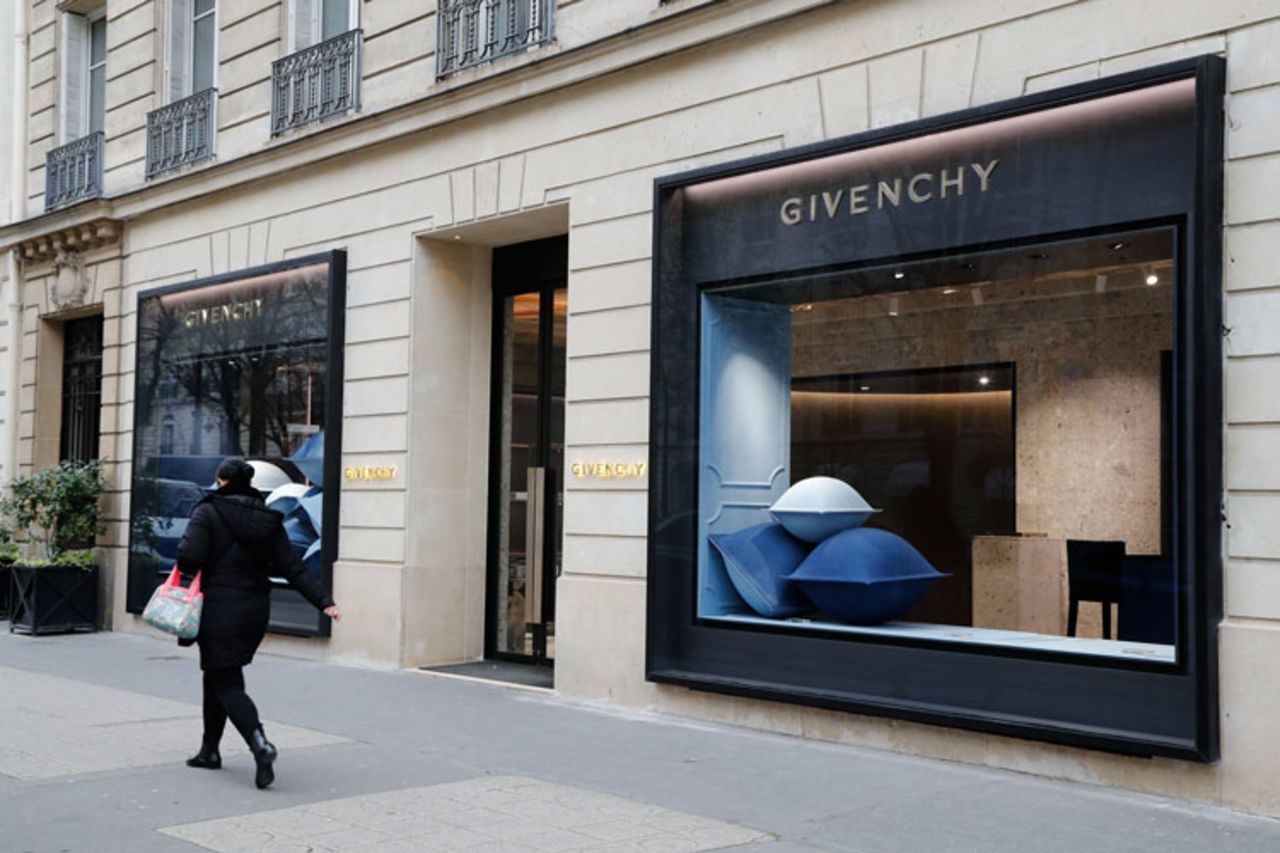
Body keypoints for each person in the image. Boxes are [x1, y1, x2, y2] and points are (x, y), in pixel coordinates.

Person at [175, 457, 342, 789]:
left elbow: (188, 557)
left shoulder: (208, 511)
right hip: (254, 609)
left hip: (219, 608)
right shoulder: (269, 520)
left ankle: (259, 744)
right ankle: (210, 751)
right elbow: (294, 568)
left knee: (227, 683)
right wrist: (325, 602)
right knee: (218, 673)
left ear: (222, 482)